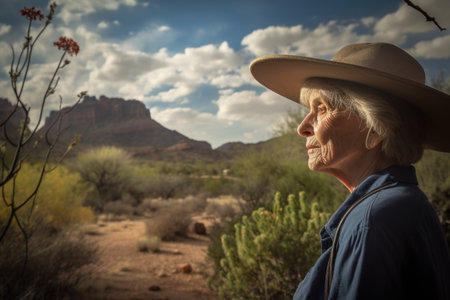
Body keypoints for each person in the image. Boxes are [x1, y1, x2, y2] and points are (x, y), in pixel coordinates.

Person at [250, 42, 450, 299]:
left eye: (322, 109)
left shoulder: (375, 219)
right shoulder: (396, 205)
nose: (302, 127)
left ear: (377, 129)